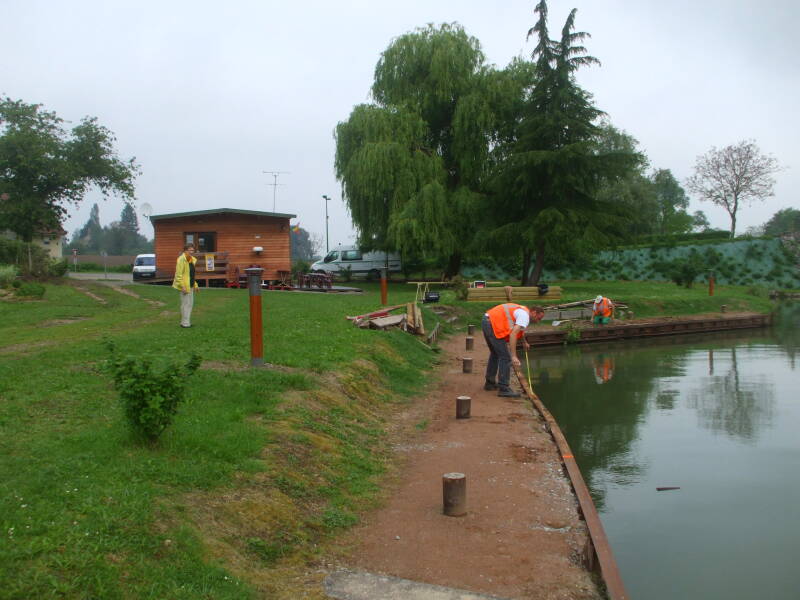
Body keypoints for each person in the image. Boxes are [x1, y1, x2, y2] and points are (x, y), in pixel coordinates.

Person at [482, 302, 545, 397]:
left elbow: (519, 330)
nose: (538, 321)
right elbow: (513, 334)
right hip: (493, 324)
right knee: (506, 357)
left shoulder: (524, 311)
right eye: (538, 318)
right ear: (534, 312)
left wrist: (524, 342)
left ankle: (490, 384)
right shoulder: (525, 316)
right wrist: (514, 356)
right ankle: (504, 388)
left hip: (487, 320)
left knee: (495, 353)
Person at [172, 244, 198, 328]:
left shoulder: (192, 260)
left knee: (189, 304)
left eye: (192, 250)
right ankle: (185, 324)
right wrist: (181, 286)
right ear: (185, 251)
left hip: (190, 285)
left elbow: (191, 274)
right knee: (185, 304)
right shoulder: (181, 260)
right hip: (184, 286)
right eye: (189, 250)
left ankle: (186, 322)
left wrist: (195, 285)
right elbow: (178, 274)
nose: (191, 252)